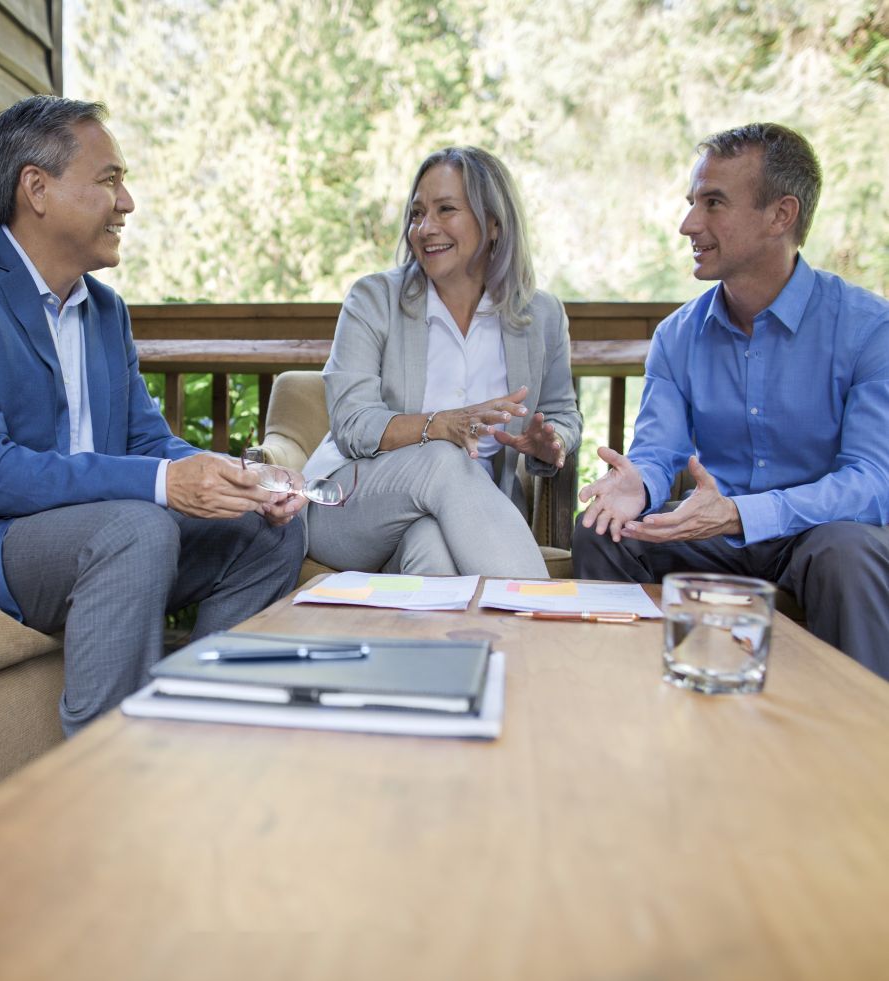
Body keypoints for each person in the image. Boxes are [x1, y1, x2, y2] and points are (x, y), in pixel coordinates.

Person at [0, 95, 306, 734]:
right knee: (136, 528)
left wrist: (227, 476)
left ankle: (200, 722)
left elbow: (146, 440)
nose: (128, 202)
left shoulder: (105, 311)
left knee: (265, 529)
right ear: (37, 188)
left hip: (80, 534)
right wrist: (164, 484)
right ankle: (105, 774)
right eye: (110, 180)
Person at [573, 122, 889, 679]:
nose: (688, 224)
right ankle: (622, 704)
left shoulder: (868, 329)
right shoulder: (677, 336)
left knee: (848, 552)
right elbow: (658, 452)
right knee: (604, 529)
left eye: (713, 203)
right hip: (712, 536)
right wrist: (636, 486)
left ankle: (864, 737)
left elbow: (871, 482)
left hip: (815, 539)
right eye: (693, 202)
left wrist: (743, 513)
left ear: (781, 216)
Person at [303, 146, 582, 577]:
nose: (424, 228)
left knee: (431, 549)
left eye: (445, 209)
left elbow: (563, 414)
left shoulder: (541, 315)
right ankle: (542, 620)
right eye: (417, 213)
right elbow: (353, 425)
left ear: (493, 223)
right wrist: (441, 425)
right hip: (349, 507)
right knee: (446, 457)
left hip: (461, 519)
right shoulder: (373, 299)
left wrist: (551, 444)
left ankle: (452, 645)